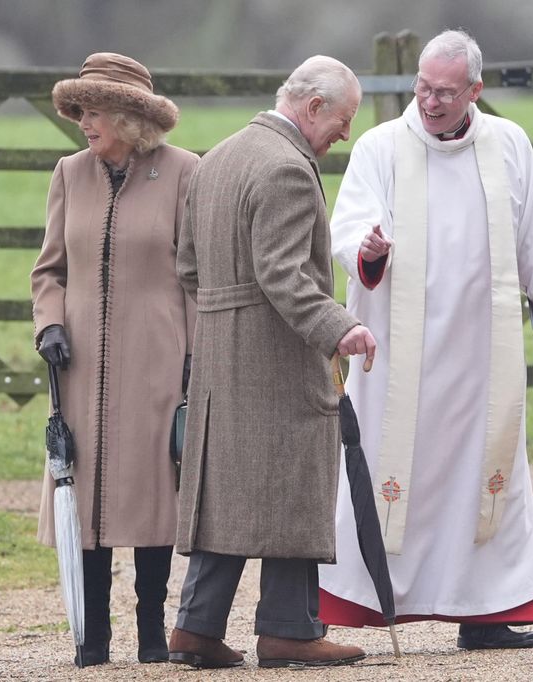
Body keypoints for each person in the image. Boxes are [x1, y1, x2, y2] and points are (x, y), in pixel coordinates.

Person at [318, 29, 533, 650]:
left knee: (485, 476)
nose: (431, 102)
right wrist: (367, 249)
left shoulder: (509, 143)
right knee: (382, 467)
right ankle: (350, 603)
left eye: (445, 92)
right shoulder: (381, 147)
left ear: (475, 91)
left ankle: (486, 612)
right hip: (395, 353)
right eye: (423, 88)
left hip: (480, 355)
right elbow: (347, 225)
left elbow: (532, 238)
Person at [168, 55, 377, 670]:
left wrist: (225, 317)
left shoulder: (217, 158)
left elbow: (186, 267)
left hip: (218, 354)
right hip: (277, 355)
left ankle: (195, 629)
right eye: (341, 121)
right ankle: (290, 629)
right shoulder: (288, 167)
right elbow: (283, 274)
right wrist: (341, 327)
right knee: (291, 485)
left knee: (226, 491)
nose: (344, 136)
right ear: (313, 107)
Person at [30, 52, 198, 667]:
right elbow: (48, 270)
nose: (83, 122)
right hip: (78, 366)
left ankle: (153, 631)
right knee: (87, 494)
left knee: (155, 493)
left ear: (130, 118)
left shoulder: (184, 172)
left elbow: (196, 276)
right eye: (80, 110)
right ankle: (91, 636)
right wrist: (49, 323)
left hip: (159, 356)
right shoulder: (69, 174)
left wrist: (195, 352)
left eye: (94, 111)